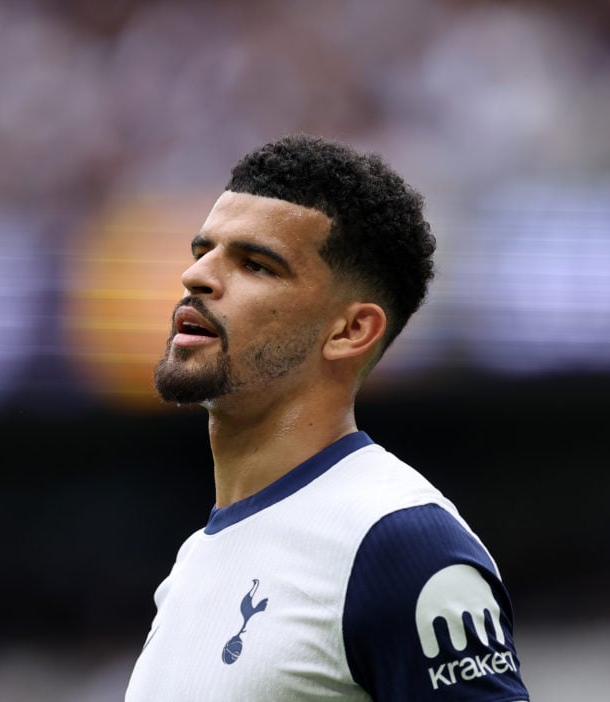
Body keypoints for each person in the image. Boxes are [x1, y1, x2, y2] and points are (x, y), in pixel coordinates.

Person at [124, 133, 529, 701]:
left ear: (349, 331)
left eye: (255, 264)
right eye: (203, 252)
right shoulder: (194, 560)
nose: (197, 278)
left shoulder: (398, 541)